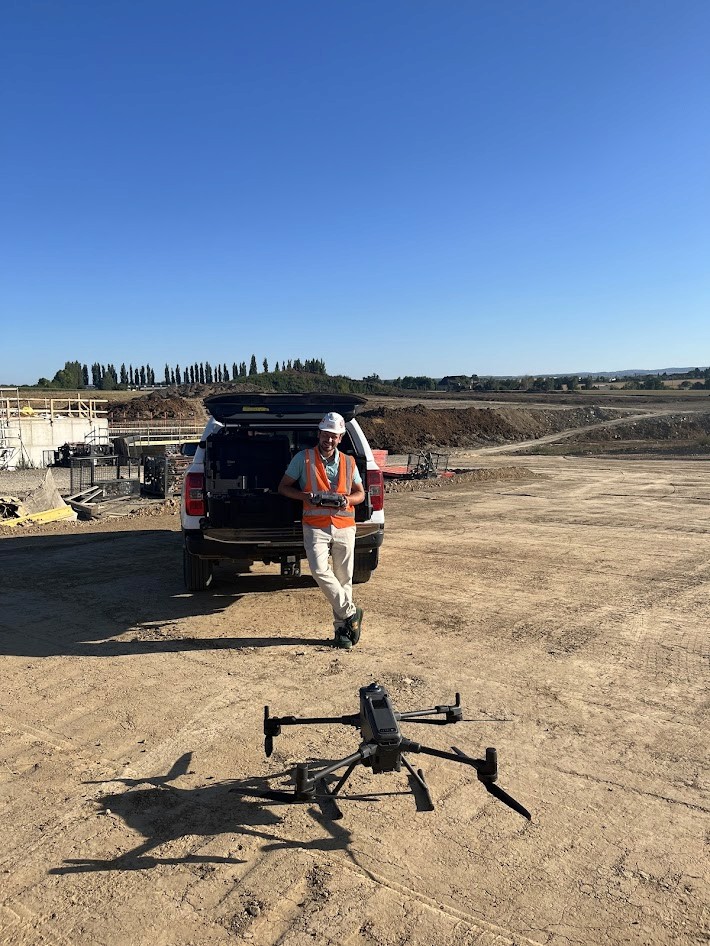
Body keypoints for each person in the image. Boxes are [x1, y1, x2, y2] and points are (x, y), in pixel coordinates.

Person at [278, 412, 366, 650]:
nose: (329, 440)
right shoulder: (303, 459)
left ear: (340, 438)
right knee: (319, 570)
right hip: (315, 526)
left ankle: (343, 632)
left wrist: (347, 499)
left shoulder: (349, 462)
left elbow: (361, 494)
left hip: (344, 526)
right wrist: (305, 496)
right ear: (319, 434)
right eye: (325, 435)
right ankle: (351, 613)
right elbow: (283, 487)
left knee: (344, 579)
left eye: (334, 436)